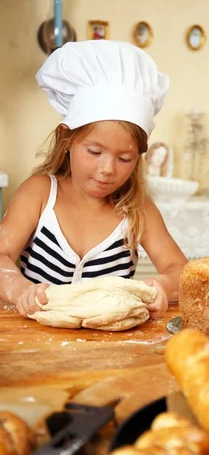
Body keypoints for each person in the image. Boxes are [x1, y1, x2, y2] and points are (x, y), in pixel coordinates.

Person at [0, 40, 187, 319]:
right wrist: (19, 290)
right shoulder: (39, 194)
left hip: (110, 349)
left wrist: (164, 285)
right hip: (34, 339)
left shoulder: (138, 209)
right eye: (95, 151)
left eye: (125, 158)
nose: (108, 169)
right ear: (67, 138)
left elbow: (181, 271)